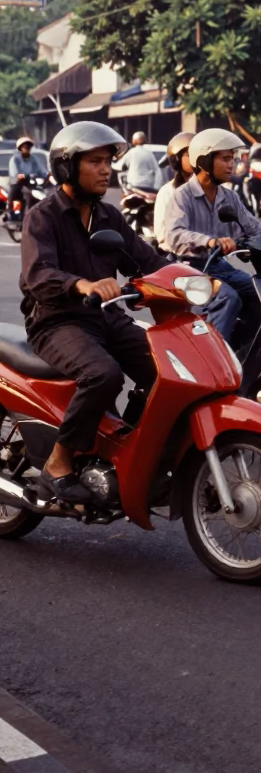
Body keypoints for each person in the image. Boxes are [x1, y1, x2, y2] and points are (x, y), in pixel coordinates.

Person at [20, 122, 166, 505]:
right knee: (103, 374)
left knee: (168, 370)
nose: (107, 170)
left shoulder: (109, 217)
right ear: (68, 168)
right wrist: (81, 284)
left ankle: (128, 446)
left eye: (108, 162)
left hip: (107, 317)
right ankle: (58, 461)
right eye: (96, 161)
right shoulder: (43, 216)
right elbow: (38, 275)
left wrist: (186, 277)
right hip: (56, 320)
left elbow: (146, 260)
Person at [164, 129, 261, 338]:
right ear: (204, 160)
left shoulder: (228, 196)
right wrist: (210, 241)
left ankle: (245, 350)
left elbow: (253, 226)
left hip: (218, 266)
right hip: (188, 267)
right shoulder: (182, 196)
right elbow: (174, 235)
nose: (232, 164)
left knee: (260, 292)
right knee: (228, 298)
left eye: (233, 159)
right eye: (225, 159)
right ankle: (211, 356)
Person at [8, 137, 48, 221]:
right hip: (17, 183)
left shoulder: (34, 159)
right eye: (24, 146)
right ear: (20, 148)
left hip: (30, 182)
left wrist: (49, 175)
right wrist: (25, 176)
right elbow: (16, 175)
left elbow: (42, 171)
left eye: (28, 146)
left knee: (44, 192)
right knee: (16, 192)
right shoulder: (15, 159)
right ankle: (14, 213)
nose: (27, 148)